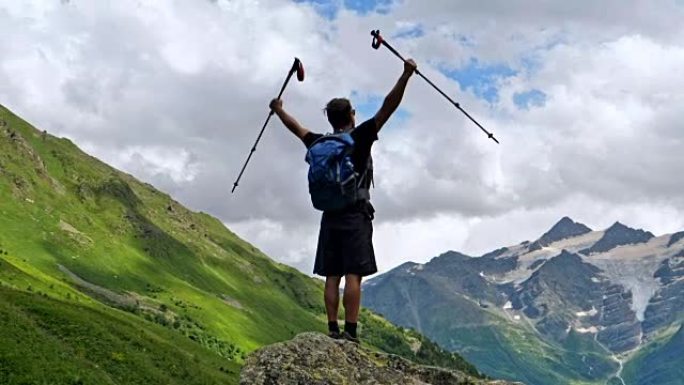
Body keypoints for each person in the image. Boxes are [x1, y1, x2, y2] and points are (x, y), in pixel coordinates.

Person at [269, 58, 417, 343]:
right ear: (351, 115)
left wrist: (278, 110)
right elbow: (389, 106)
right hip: (355, 213)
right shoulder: (360, 137)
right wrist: (405, 75)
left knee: (332, 274)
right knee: (354, 273)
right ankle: (350, 332)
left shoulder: (318, 142)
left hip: (329, 214)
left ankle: (332, 329)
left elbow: (295, 127)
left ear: (330, 119)